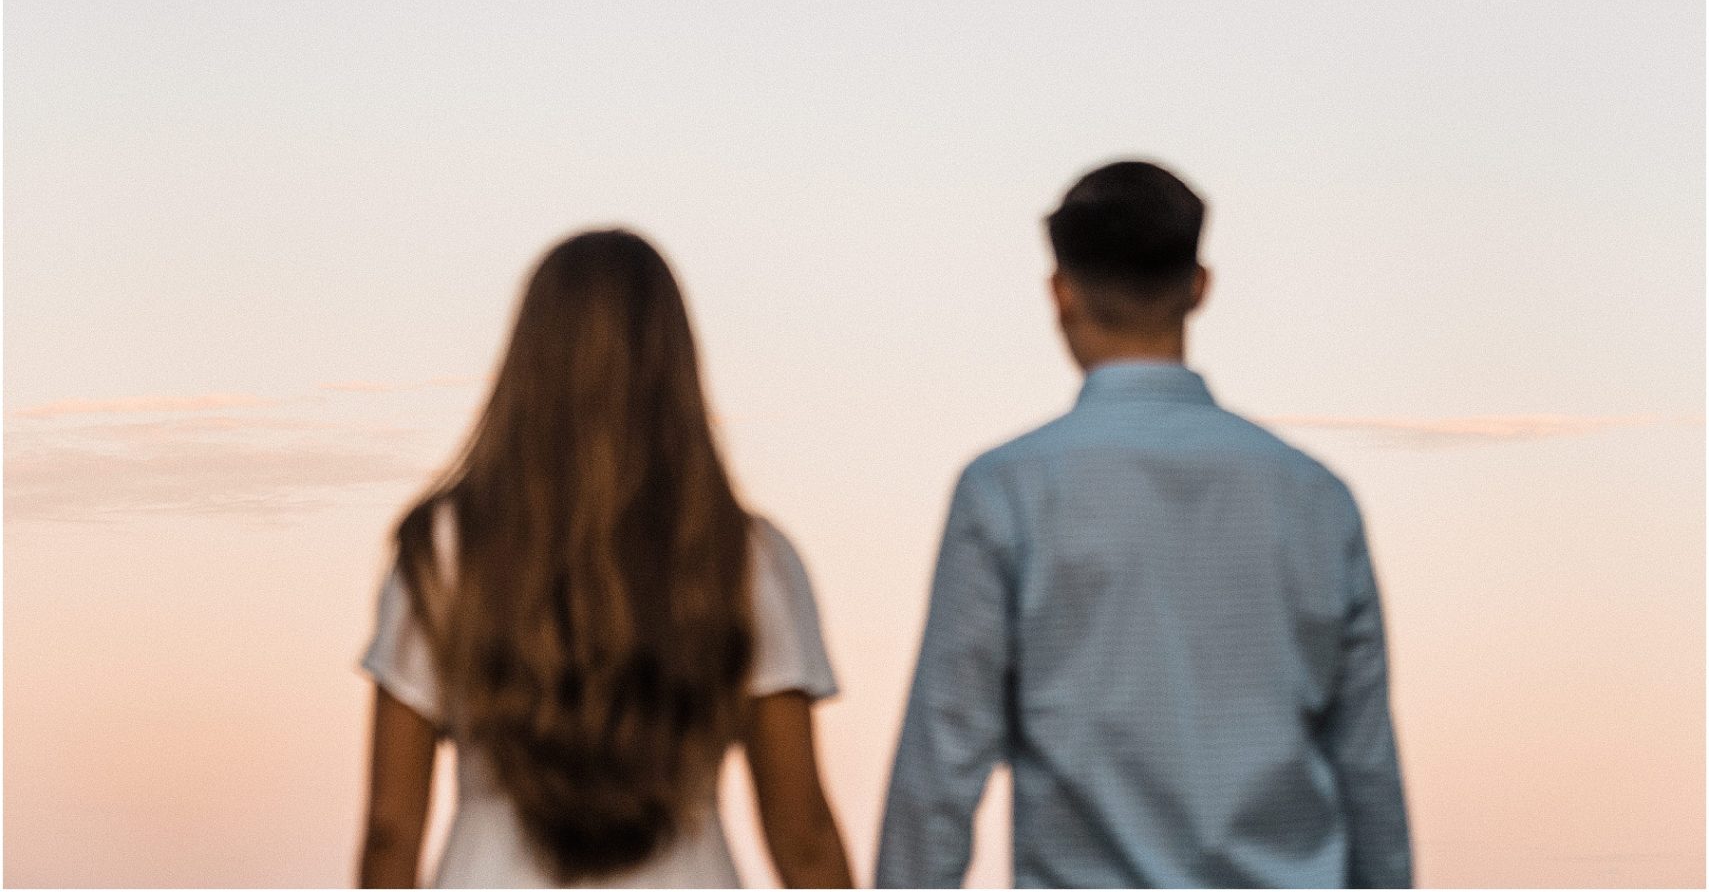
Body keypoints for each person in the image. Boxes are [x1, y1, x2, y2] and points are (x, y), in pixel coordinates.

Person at [876, 161, 1412, 890]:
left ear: (1059, 293)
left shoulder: (1006, 492)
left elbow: (941, 769)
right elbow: (1365, 770)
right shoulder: (1315, 499)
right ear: (1198, 287)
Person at [356, 229, 852, 889]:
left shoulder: (443, 547)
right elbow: (802, 835)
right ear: (674, 364)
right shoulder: (744, 556)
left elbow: (391, 832)